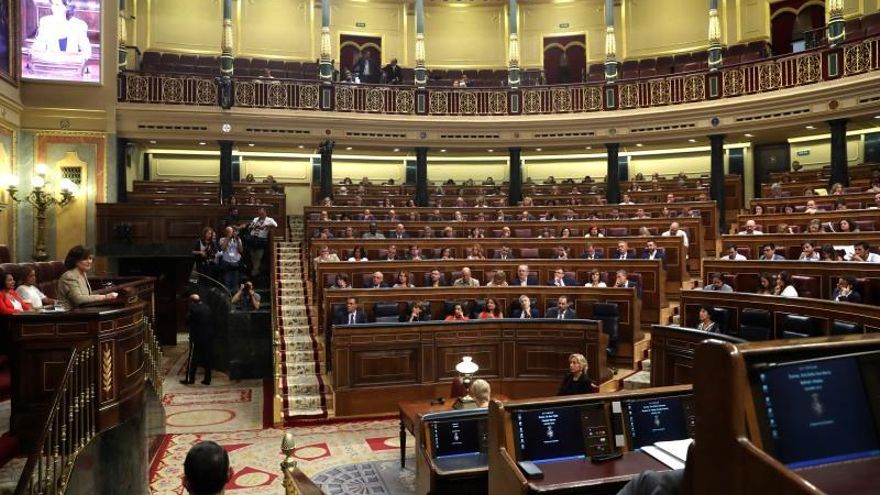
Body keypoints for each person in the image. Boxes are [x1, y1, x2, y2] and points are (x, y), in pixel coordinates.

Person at [181, 294, 215, 385]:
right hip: (208, 337)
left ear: (192, 301)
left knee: (193, 358)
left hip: (197, 338)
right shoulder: (207, 307)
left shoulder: (193, 309)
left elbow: (187, 322)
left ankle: (190, 379)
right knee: (207, 358)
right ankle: (207, 379)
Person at [246, 207, 278, 278]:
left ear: (265, 213)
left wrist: (266, 225)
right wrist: (253, 226)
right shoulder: (255, 219)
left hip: (261, 240)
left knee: (258, 256)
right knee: (252, 256)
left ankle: (255, 271)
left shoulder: (269, 220)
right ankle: (255, 270)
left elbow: (275, 225)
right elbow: (249, 227)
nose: (260, 215)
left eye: (262, 214)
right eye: (259, 214)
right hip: (252, 238)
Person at [217, 227, 244, 293]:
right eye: (228, 232)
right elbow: (223, 248)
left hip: (236, 262)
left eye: (231, 231)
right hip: (226, 262)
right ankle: (227, 295)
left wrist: (237, 240)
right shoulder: (222, 239)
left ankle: (235, 296)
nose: (230, 233)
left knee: (236, 281)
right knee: (227, 281)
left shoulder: (237, 239)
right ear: (225, 232)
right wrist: (228, 238)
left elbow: (241, 250)